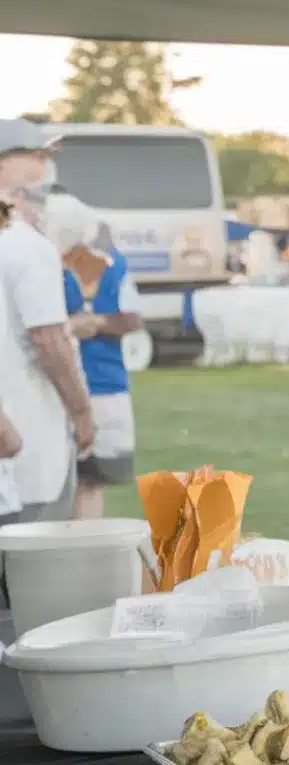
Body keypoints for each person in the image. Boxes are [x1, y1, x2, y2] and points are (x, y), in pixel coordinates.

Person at [0, 120, 89, 528]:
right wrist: (83, 412)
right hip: (25, 450)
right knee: (32, 583)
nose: (45, 166)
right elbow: (49, 341)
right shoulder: (22, 243)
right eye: (36, 155)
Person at [45, 192, 143, 520]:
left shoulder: (112, 265)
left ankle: (83, 557)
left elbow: (132, 319)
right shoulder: (40, 264)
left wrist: (97, 323)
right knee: (54, 483)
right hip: (52, 387)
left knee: (92, 480)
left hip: (103, 384)